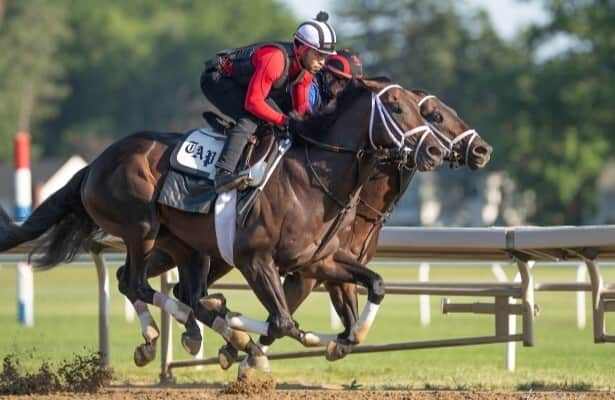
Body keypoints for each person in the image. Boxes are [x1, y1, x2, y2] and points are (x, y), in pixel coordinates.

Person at [200, 12, 337, 193]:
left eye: (325, 56)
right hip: (217, 80)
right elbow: (253, 103)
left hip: (242, 85)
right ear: (302, 49)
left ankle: (234, 136)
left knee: (278, 119)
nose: (323, 62)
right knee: (251, 118)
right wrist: (285, 121)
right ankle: (224, 172)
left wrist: (315, 127)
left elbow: (302, 109)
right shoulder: (275, 59)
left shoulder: (305, 71)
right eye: (319, 54)